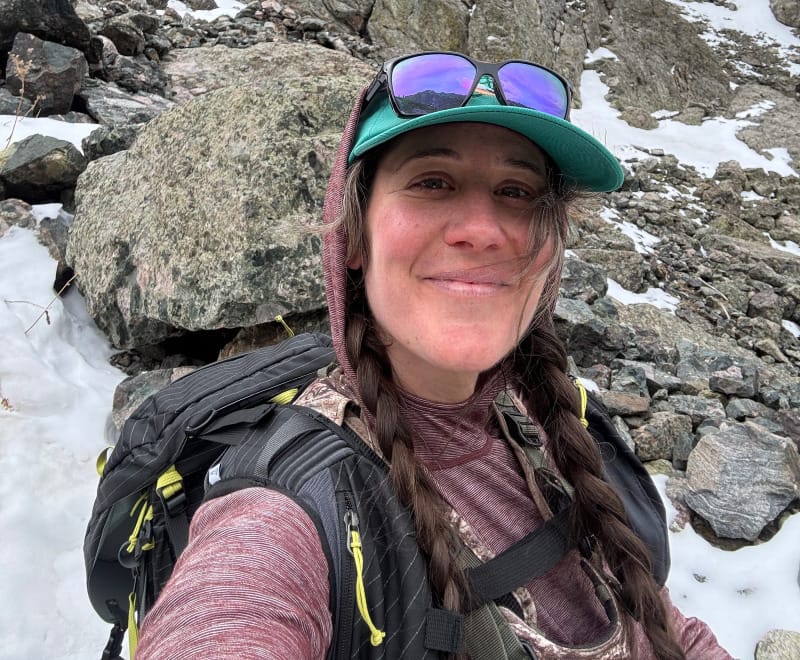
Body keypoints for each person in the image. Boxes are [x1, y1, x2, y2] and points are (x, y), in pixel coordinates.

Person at [136, 51, 731, 659]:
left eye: (516, 191)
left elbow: (660, 626)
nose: (481, 228)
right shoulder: (284, 511)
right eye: (432, 182)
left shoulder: (544, 423)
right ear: (354, 237)